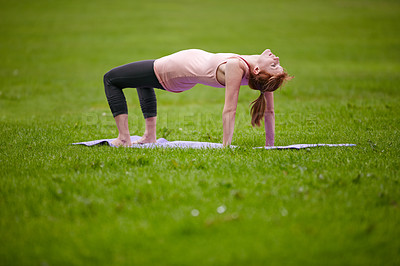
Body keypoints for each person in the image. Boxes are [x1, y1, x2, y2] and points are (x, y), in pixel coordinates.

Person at [103, 48, 292, 147]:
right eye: (278, 64)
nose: (276, 59)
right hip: (179, 70)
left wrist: (226, 145)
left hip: (172, 71)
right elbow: (269, 111)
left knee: (111, 79)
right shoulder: (256, 68)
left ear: (258, 70)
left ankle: (124, 138)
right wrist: (270, 146)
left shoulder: (237, 66)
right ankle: (149, 136)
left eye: (274, 66)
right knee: (141, 81)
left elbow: (230, 109)